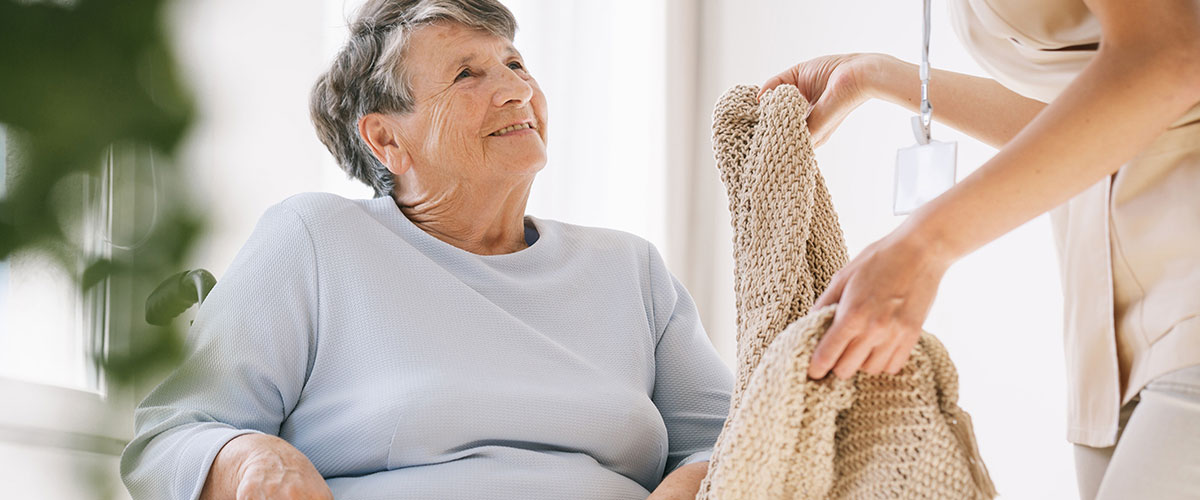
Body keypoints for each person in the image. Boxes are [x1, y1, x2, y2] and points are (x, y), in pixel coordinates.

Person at [118, 1, 733, 499]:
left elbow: (740, 437)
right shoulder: (317, 239)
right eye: (468, 74)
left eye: (515, 64)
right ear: (386, 138)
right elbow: (171, 438)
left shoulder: (629, 268)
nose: (516, 90)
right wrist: (250, 456)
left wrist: (686, 490)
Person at [759, 0, 1200, 498]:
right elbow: (1096, 115)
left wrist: (924, 245)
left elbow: (1169, 59)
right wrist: (874, 76)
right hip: (1110, 344)